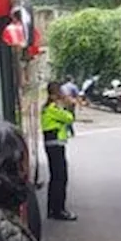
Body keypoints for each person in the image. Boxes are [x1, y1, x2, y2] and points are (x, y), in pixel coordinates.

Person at [42, 82, 77, 221]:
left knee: (55, 178)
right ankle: (59, 210)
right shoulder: (53, 108)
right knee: (60, 178)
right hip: (55, 147)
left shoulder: (48, 108)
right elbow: (69, 118)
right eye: (60, 93)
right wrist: (68, 104)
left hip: (52, 146)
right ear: (55, 95)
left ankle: (52, 209)